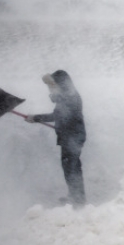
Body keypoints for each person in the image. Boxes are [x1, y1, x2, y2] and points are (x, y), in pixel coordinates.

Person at [26, 70, 87, 207]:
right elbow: (60, 115)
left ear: (62, 84)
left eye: (53, 84)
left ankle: (78, 200)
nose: (51, 88)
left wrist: (35, 118)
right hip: (70, 136)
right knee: (70, 168)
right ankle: (75, 196)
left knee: (72, 168)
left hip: (73, 137)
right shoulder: (67, 95)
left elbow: (58, 116)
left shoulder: (69, 97)